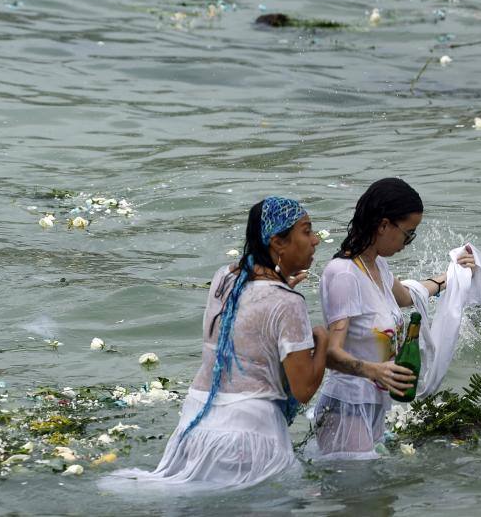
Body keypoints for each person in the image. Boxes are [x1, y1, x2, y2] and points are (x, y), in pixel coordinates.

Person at [100, 196, 328, 491]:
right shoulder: (288, 302)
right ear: (278, 242)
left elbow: (249, 325)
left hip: (196, 424)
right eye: (307, 231)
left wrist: (282, 287)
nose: (316, 240)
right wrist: (321, 339)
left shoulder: (225, 278)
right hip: (248, 435)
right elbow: (304, 388)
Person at [312, 178, 475, 460]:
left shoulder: (376, 266)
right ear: (384, 225)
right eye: (408, 233)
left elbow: (407, 296)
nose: (408, 243)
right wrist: (375, 370)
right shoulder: (344, 275)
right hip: (347, 409)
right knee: (360, 499)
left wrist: (451, 276)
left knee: (378, 502)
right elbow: (329, 352)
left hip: (372, 406)